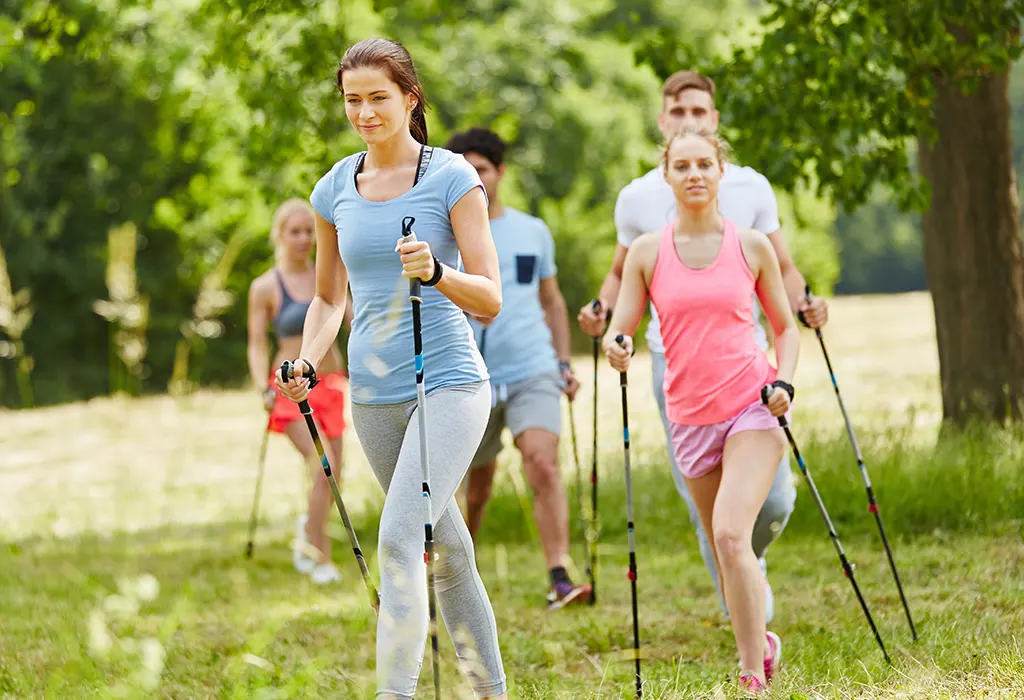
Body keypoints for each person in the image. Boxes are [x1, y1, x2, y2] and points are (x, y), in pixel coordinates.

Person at [275, 38, 507, 700]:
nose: (365, 112)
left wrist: (436, 272)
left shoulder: (452, 176)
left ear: (410, 98)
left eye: (379, 98)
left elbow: (490, 296)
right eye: (353, 100)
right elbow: (328, 295)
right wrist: (308, 359)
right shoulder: (333, 188)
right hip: (374, 394)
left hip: (450, 382)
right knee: (451, 553)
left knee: (402, 543)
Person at [578, 70, 828, 626]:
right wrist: (605, 321)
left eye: (698, 111)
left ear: (713, 121)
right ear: (663, 122)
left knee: (773, 506)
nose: (688, 120)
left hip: (746, 364)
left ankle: (741, 563)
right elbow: (622, 275)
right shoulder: (638, 197)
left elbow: (781, 268)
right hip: (675, 363)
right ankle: (746, 618)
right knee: (711, 513)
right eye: (677, 111)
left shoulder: (752, 188)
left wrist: (807, 302)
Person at [604, 126, 799, 694]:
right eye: (682, 166)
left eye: (704, 165)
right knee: (722, 541)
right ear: (666, 175)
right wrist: (618, 346)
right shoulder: (647, 252)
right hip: (689, 416)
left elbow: (784, 328)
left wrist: (784, 379)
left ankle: (748, 670)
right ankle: (762, 640)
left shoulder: (751, 245)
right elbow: (623, 329)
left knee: (733, 536)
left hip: (752, 406)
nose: (694, 174)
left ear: (721, 172)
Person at [445, 127, 589, 610]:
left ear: (500, 172)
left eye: (483, 169)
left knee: (543, 464)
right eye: (467, 171)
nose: (477, 179)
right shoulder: (446, 232)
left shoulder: (533, 231)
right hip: (471, 375)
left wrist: (564, 361)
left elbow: (551, 300)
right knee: (475, 487)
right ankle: (460, 574)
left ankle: (559, 574)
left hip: (533, 368)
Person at [246, 198, 351, 585]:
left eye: (310, 231)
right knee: (325, 468)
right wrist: (262, 387)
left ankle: (310, 528)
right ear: (280, 235)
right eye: (296, 231)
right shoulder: (265, 287)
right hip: (291, 389)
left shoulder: (330, 275)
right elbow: (257, 344)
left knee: (335, 474)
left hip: (332, 384)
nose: (304, 238)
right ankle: (318, 554)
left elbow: (354, 321)